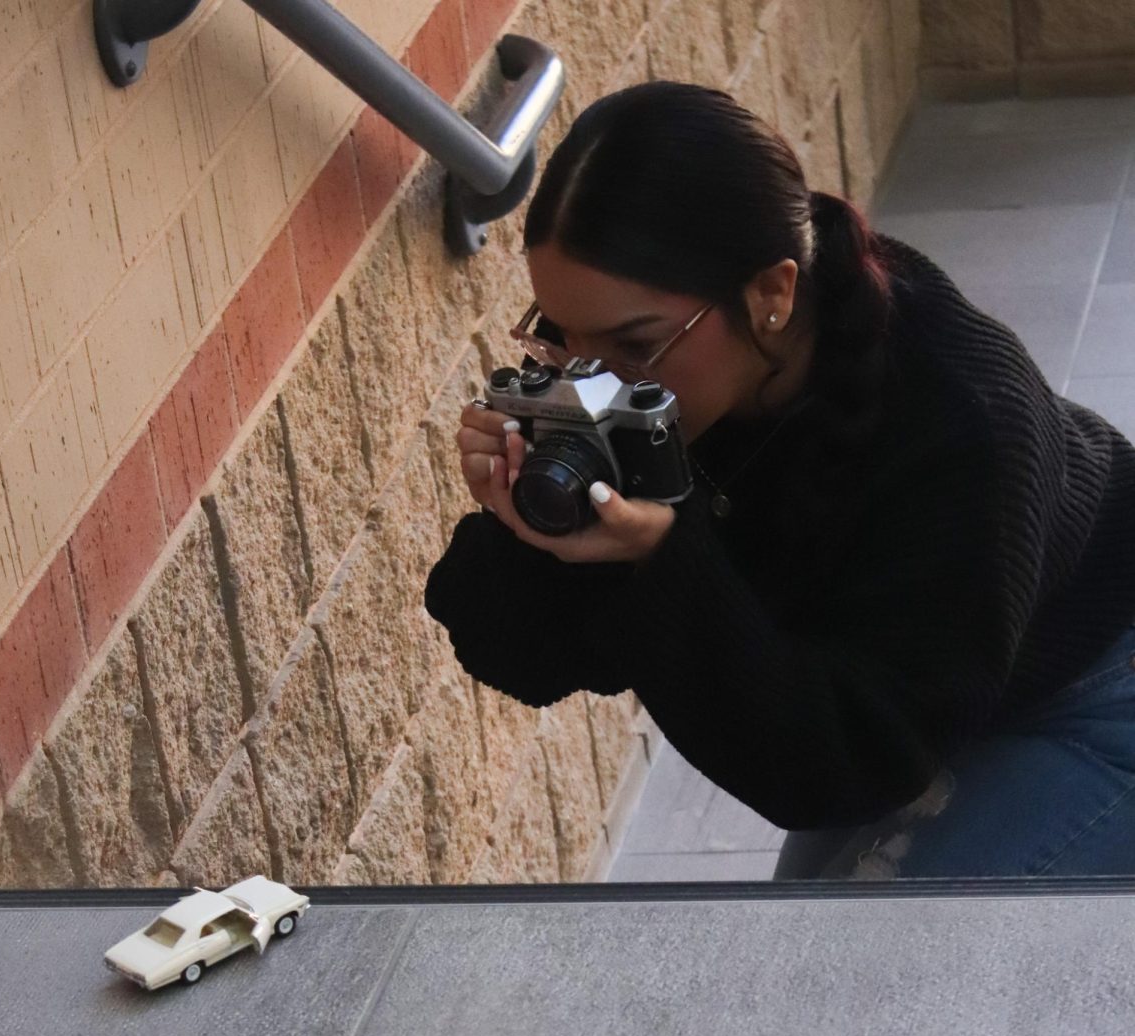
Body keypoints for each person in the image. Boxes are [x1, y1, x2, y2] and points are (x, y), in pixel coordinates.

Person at [424, 81, 1135, 879]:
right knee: (811, 930)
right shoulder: (678, 384)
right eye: (560, 335)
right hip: (934, 686)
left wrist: (663, 561)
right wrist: (528, 527)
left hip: (1104, 684)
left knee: (875, 959)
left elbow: (844, 766)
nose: (594, 382)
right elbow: (527, 659)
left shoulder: (962, 415)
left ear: (772, 292)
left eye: (632, 344)